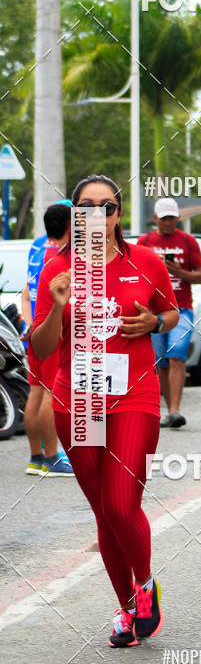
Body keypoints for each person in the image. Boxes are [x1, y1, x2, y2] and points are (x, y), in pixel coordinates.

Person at [32, 175, 179, 648]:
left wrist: (154, 322)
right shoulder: (57, 267)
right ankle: (128, 605)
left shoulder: (148, 261)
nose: (97, 216)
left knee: (121, 502)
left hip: (133, 394)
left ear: (119, 215)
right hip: (75, 400)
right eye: (86, 208)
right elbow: (39, 345)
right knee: (103, 510)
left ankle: (146, 583)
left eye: (107, 208)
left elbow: (171, 312)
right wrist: (56, 308)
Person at [138, 198, 201, 428]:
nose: (168, 222)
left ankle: (175, 410)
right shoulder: (144, 242)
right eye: (163, 218)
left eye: (172, 218)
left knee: (177, 353)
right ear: (155, 219)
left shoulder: (188, 241)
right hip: (154, 310)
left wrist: (179, 272)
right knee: (161, 361)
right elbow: (135, 275)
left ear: (178, 218)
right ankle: (168, 411)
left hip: (182, 308)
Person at [22, 202, 74, 477]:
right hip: (51, 331)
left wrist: (29, 323)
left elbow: (26, 291)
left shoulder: (36, 248)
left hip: (33, 330)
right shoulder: (56, 257)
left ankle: (36, 458)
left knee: (36, 391)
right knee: (51, 392)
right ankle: (53, 457)